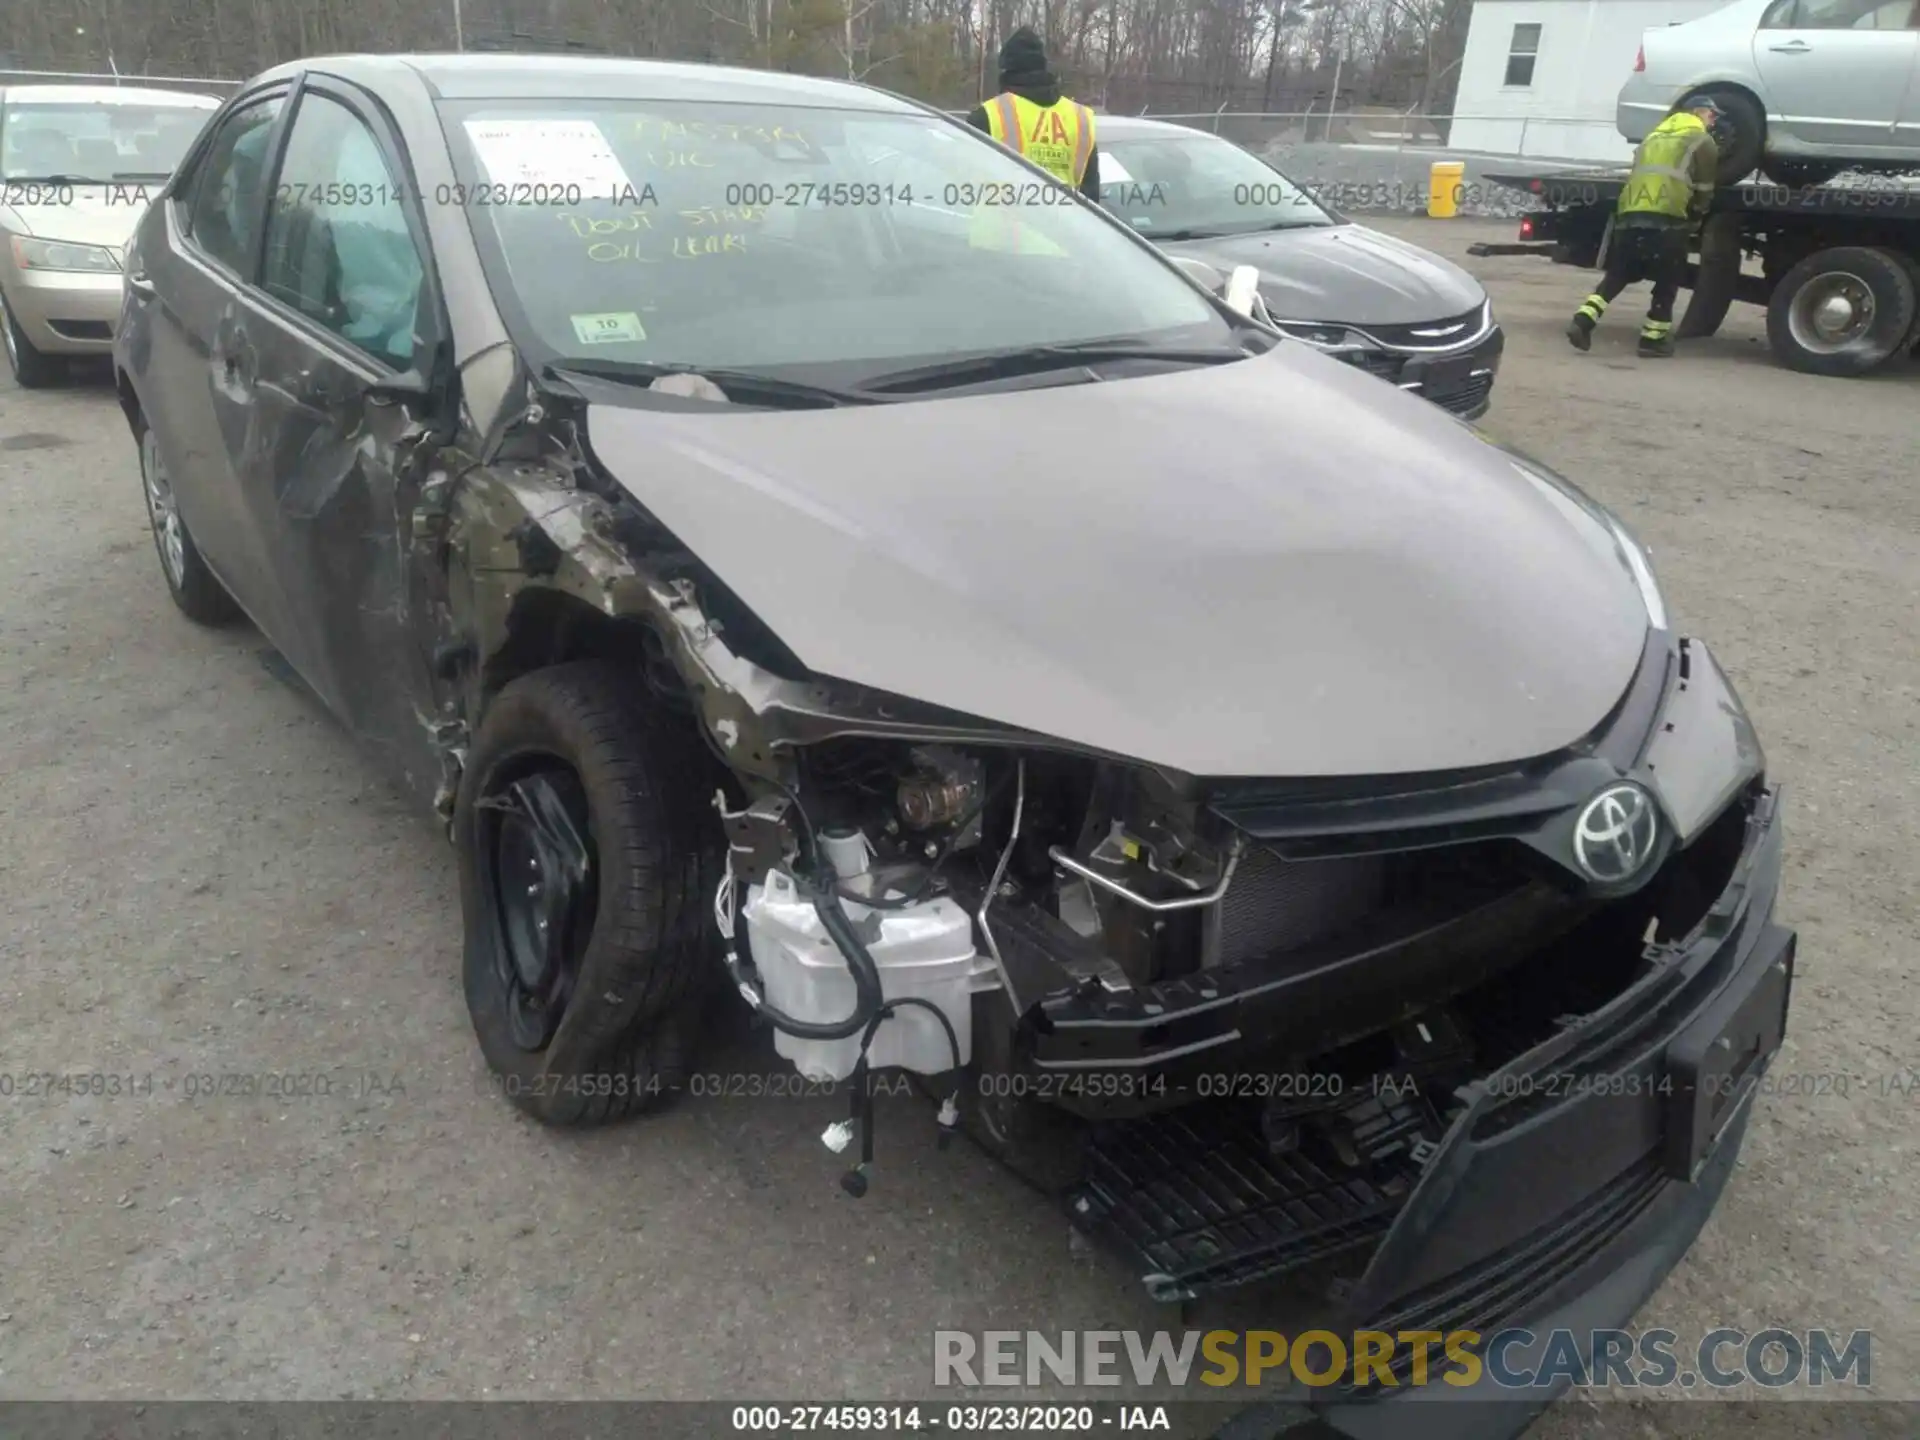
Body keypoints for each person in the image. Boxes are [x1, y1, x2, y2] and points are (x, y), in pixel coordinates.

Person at [1567, 94, 1721, 358]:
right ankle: (1652, 339)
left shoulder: (1653, 137)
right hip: (1668, 218)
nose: (1714, 121)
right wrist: (1696, 218)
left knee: (1619, 274)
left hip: (1630, 214)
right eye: (1712, 114)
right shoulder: (1702, 140)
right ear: (1698, 112)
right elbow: (1705, 188)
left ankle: (1583, 320)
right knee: (1667, 279)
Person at [966, 28, 1101, 203]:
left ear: (1007, 70)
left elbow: (964, 185)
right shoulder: (1081, 120)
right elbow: (1091, 198)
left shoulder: (987, 116)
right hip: (1064, 229)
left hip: (1001, 229)